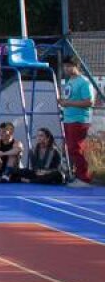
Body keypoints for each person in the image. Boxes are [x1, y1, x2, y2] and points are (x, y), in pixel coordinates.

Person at [57, 58, 94, 187]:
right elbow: (70, 99)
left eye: (69, 66)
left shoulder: (83, 82)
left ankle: (84, 178)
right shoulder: (69, 81)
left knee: (76, 148)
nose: (66, 69)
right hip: (68, 119)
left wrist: (67, 103)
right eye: (64, 66)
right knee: (70, 149)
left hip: (79, 120)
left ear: (76, 66)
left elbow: (89, 102)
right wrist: (63, 102)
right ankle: (75, 174)